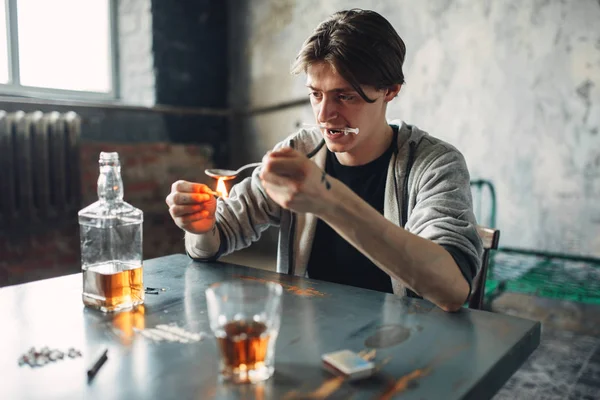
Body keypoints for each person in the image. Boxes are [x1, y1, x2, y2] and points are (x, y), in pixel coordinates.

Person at [165, 9, 483, 312]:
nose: (324, 115)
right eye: (316, 94)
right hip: (308, 339)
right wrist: (200, 226)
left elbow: (451, 291)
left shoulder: (434, 164)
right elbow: (215, 239)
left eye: (345, 96)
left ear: (390, 91)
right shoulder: (300, 152)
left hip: (408, 345)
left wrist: (328, 200)